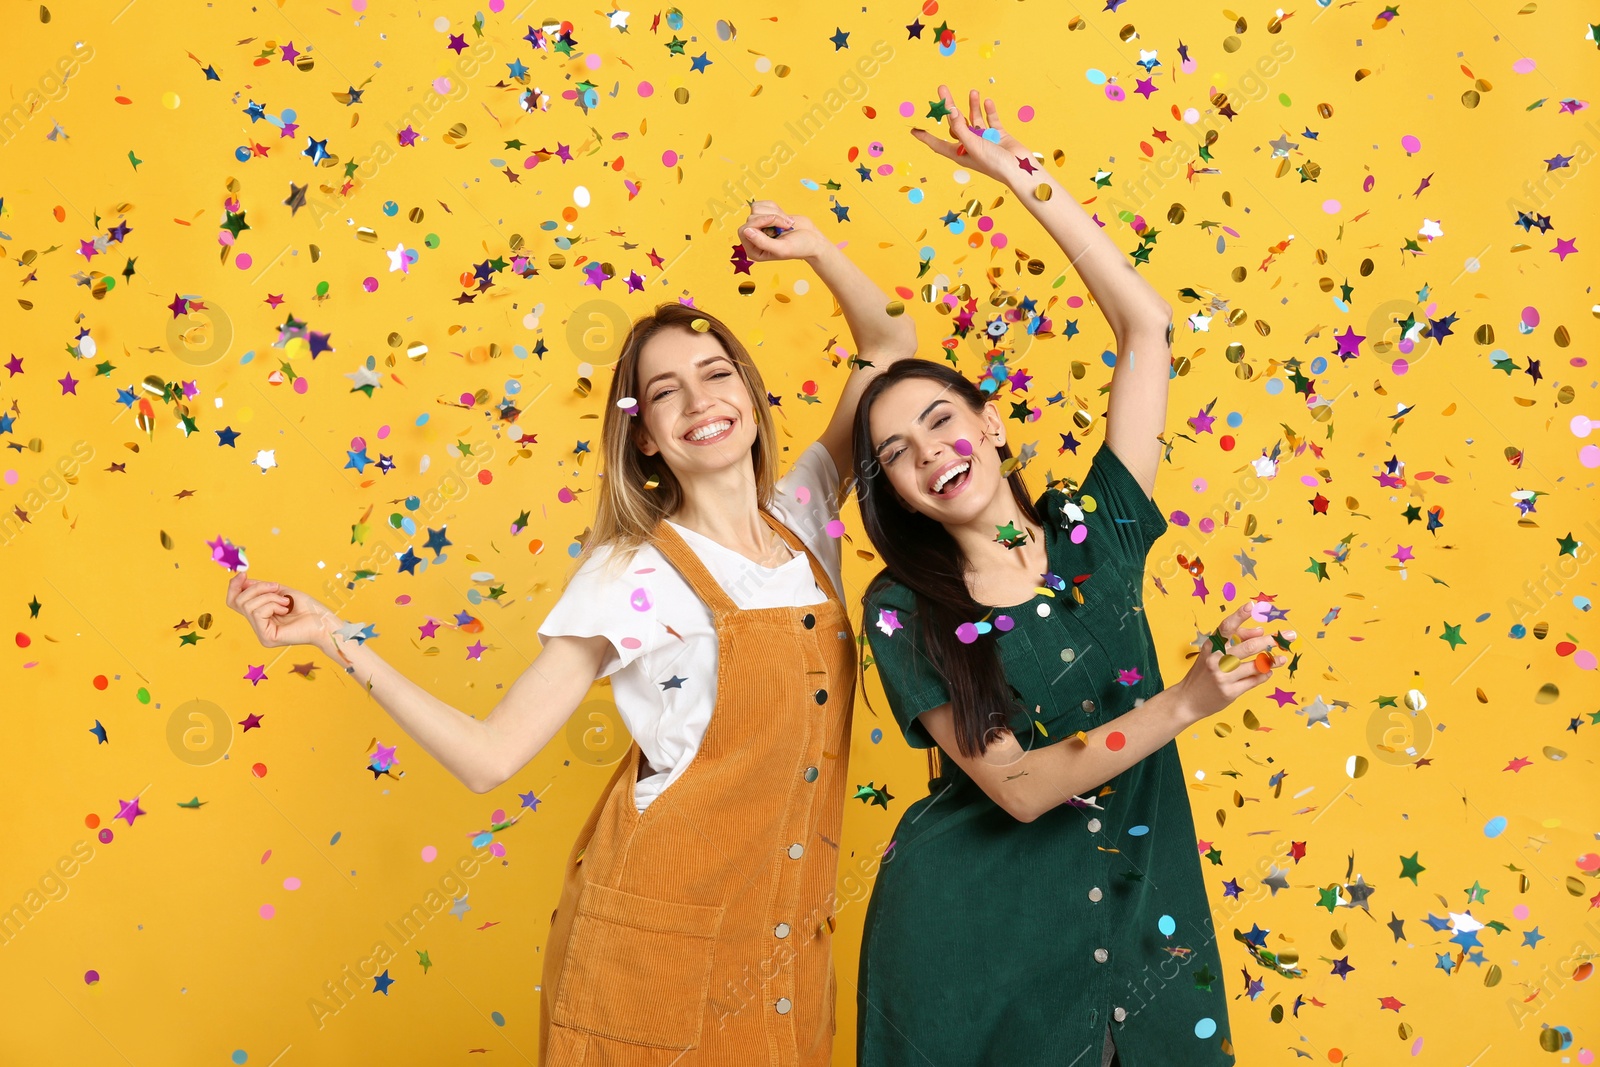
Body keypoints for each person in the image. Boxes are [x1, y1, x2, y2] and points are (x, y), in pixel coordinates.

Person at [225, 199, 916, 1064]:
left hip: (781, 939)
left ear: (748, 390)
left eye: (716, 374)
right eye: (667, 392)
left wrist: (816, 250)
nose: (700, 402)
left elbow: (890, 347)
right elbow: (489, 757)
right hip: (653, 946)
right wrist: (335, 637)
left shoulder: (807, 510)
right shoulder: (632, 575)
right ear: (649, 438)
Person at [848, 87, 1287, 1066]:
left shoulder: (1100, 530)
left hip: (1145, 926)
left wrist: (1022, 178)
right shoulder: (905, 605)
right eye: (895, 455)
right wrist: (1184, 702)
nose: (929, 452)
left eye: (939, 419)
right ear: (902, 497)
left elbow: (1146, 331)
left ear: (990, 424)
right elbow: (1012, 784)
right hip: (975, 944)